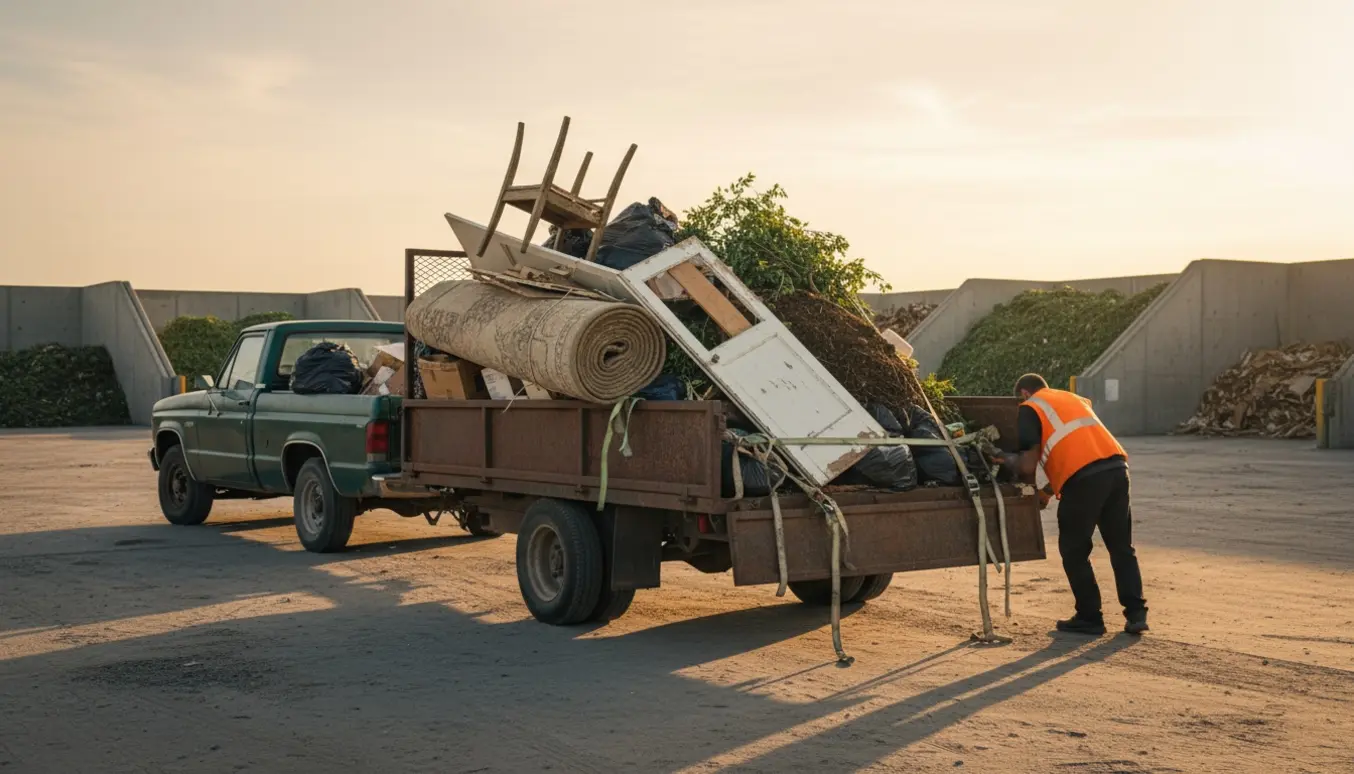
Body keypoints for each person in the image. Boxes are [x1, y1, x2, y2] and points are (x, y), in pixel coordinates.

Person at [1000, 373, 1148, 636]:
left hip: (1083, 481)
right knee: (1121, 547)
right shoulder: (1072, 399)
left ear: (1024, 393)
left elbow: (1027, 464)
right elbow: (1078, 450)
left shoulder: (1030, 408)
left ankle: (1090, 617)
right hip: (1116, 469)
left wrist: (1001, 458)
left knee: (1074, 550)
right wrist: (1047, 491)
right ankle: (1136, 615)